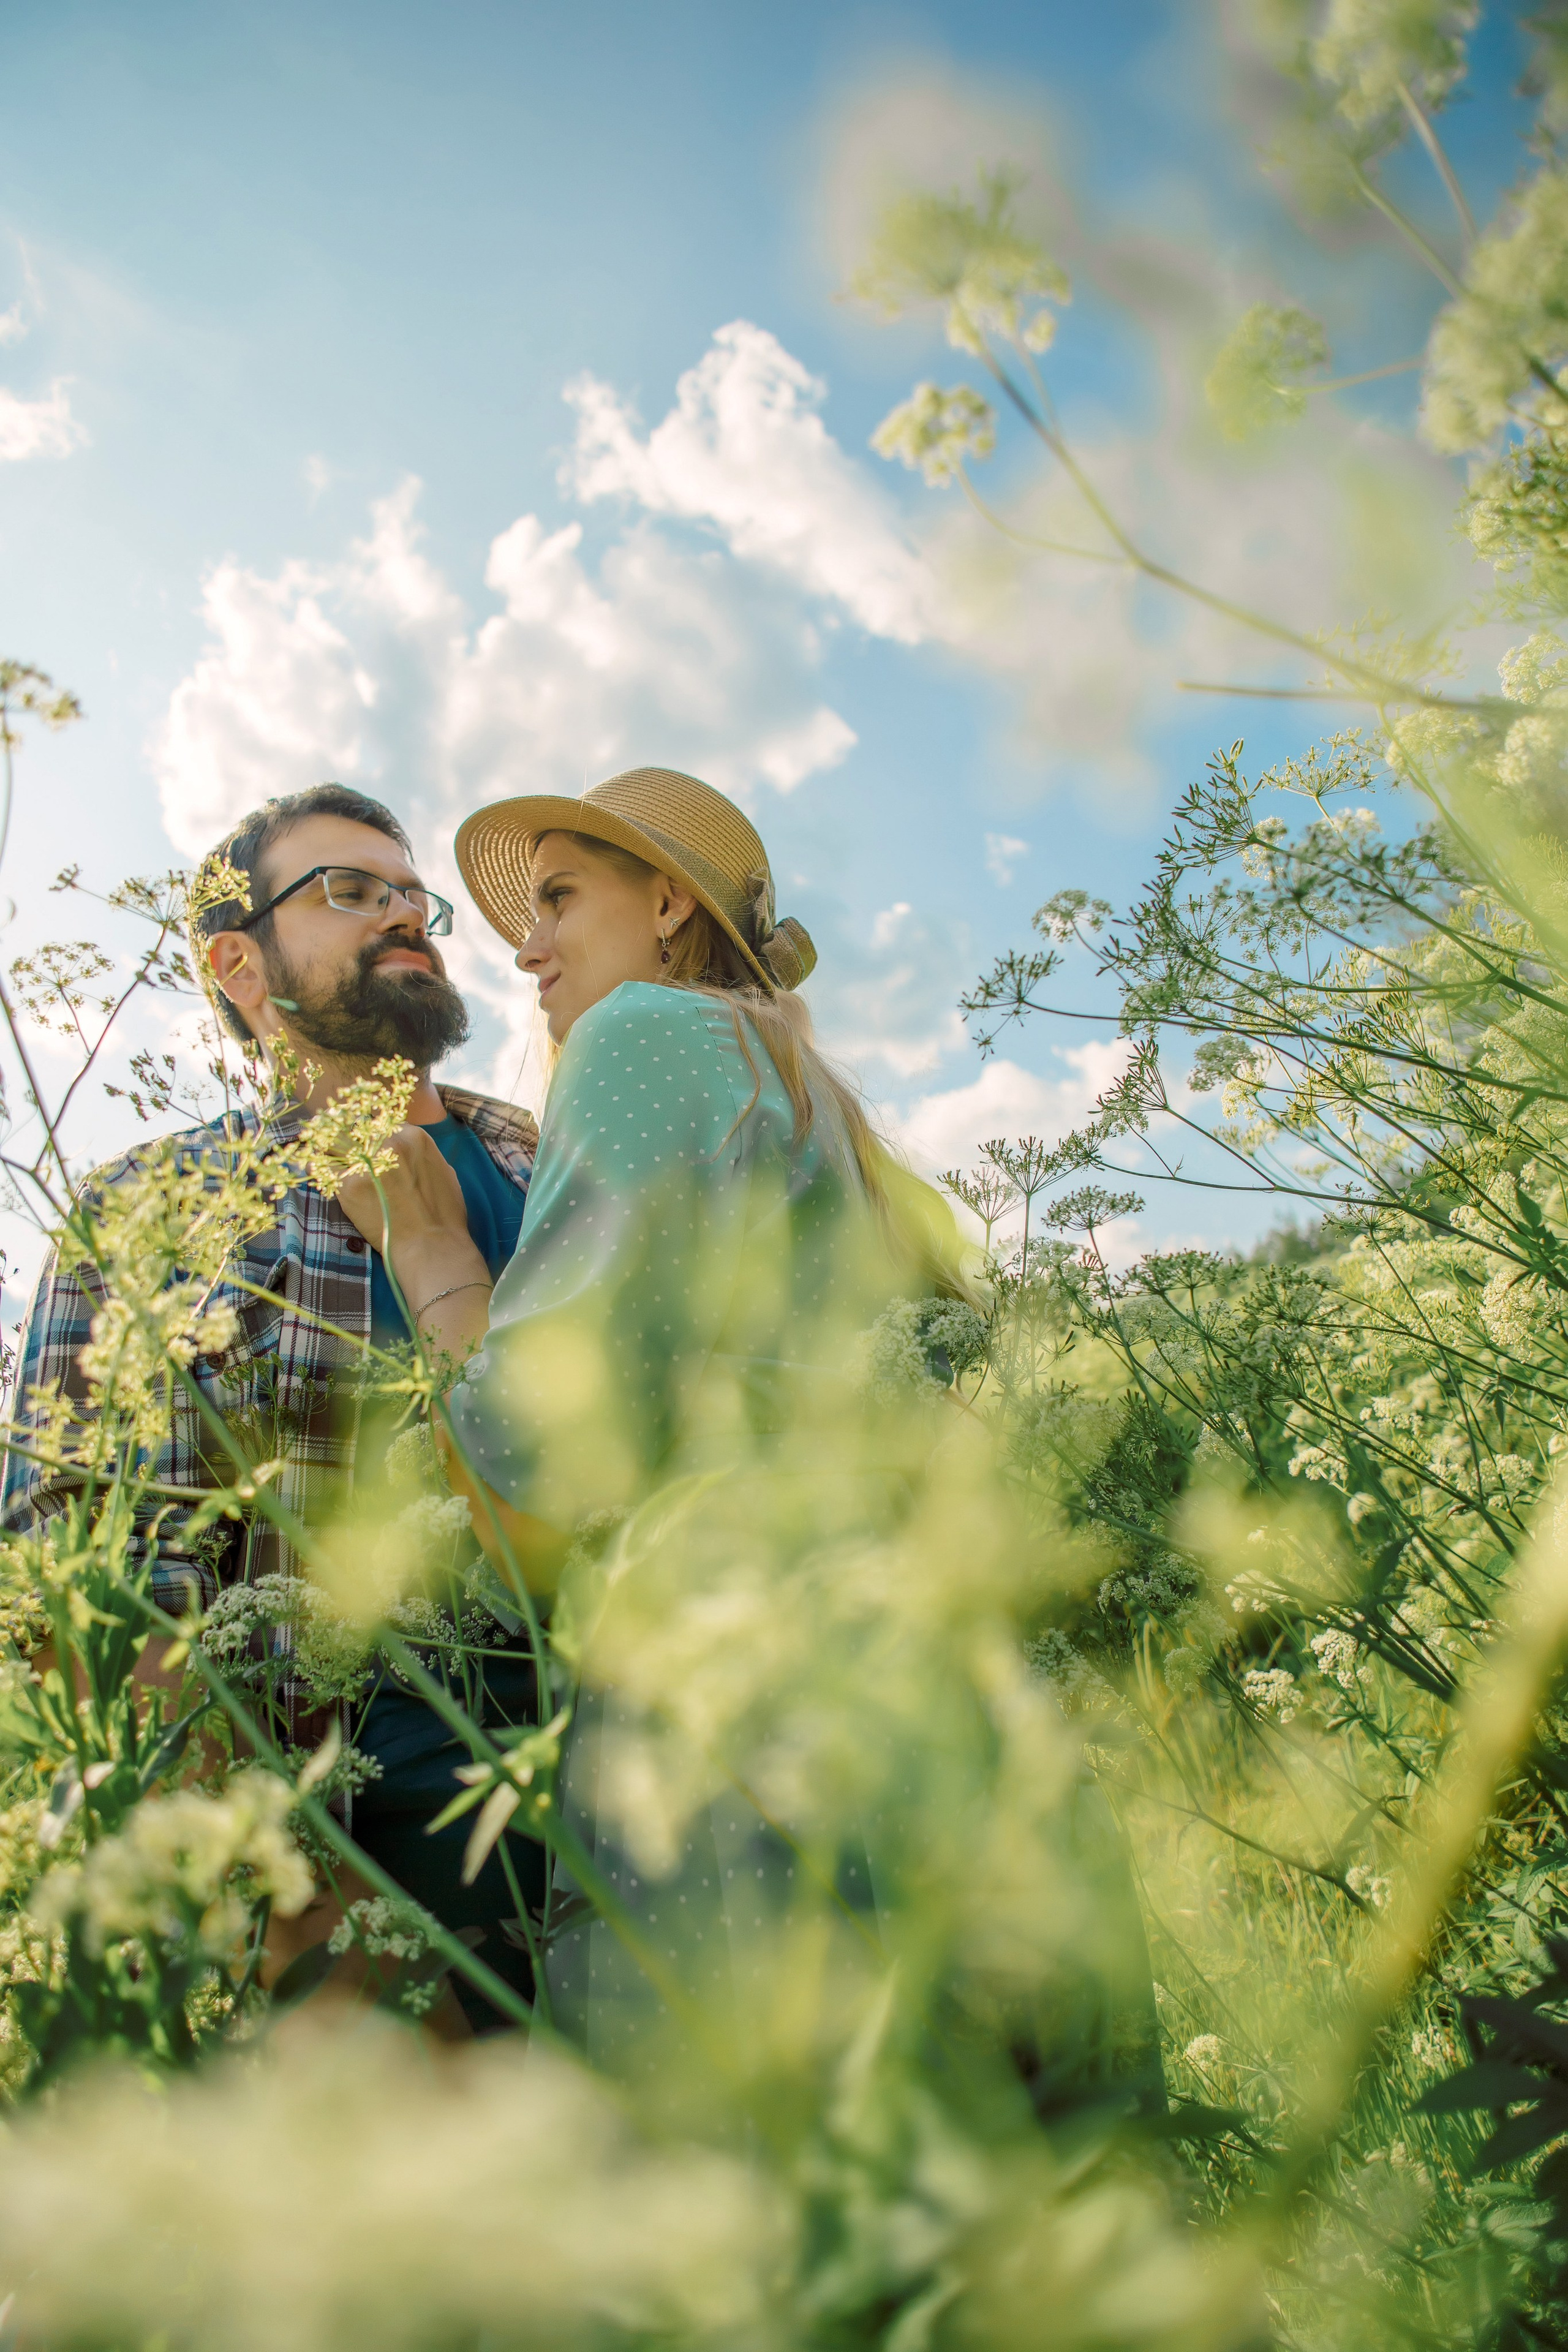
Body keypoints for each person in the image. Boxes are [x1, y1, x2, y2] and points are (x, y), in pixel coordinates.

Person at [334, 764, 954, 2064]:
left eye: (559, 896)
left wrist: (438, 1264)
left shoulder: (644, 1037)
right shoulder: (816, 1105)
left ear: (666, 901)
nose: (523, 944)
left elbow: (532, 1473)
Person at [2, 782, 542, 2032]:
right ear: (239, 963)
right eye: (350, 891)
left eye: (412, 895)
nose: (404, 914)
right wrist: (315, 1935)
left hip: (650, 1819)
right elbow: (80, 1583)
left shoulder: (547, 1152)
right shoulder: (152, 1206)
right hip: (375, 1865)